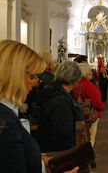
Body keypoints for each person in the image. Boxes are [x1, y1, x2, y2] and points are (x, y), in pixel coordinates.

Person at [0, 40, 78, 173]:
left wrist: (38, 161)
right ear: (14, 74)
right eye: (32, 77)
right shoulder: (4, 121)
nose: (35, 83)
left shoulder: (8, 112)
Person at [37, 61, 84, 153]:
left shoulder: (55, 91)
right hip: (56, 152)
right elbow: (63, 134)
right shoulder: (61, 101)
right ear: (74, 79)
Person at [73, 63, 105, 146]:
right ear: (85, 72)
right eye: (90, 71)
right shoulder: (88, 85)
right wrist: (102, 106)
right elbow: (96, 103)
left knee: (81, 138)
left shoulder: (76, 83)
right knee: (90, 137)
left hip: (78, 114)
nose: (91, 72)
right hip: (89, 115)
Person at [26, 51, 55, 126]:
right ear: (49, 63)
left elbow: (28, 96)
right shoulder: (51, 78)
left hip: (33, 110)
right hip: (45, 112)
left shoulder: (32, 75)